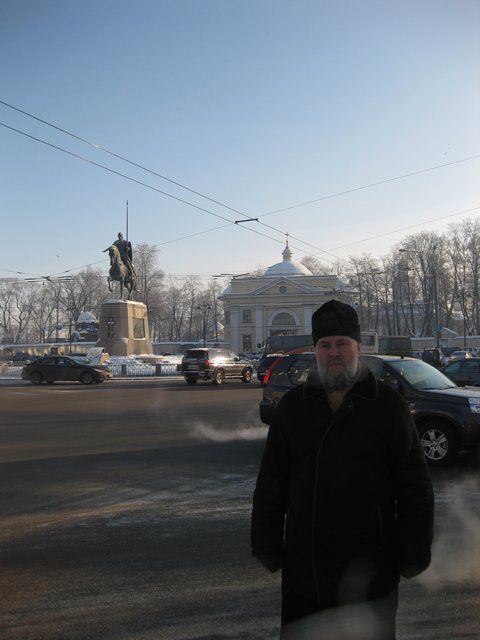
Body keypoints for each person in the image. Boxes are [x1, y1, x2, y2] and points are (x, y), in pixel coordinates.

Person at [251, 300, 434, 639]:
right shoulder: (293, 408)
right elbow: (272, 483)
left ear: (357, 348)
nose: (333, 352)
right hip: (307, 567)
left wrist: (414, 551)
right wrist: (265, 542)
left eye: (341, 344)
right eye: (325, 345)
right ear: (315, 351)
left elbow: (414, 486)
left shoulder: (387, 407)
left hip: (371, 564)